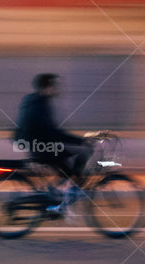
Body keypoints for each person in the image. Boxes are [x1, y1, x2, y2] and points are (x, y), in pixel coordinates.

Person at [13, 73, 91, 214]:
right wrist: (80, 141)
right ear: (47, 87)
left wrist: (76, 140)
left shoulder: (39, 102)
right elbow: (52, 133)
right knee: (83, 153)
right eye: (55, 85)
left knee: (70, 165)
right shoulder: (39, 105)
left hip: (44, 147)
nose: (57, 88)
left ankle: (58, 192)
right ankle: (59, 200)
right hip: (42, 150)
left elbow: (53, 133)